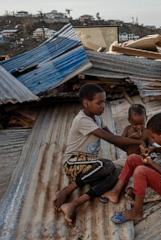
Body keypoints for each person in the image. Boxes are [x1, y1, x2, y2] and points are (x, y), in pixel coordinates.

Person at [53, 83, 146, 225]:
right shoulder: (82, 120)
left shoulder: (98, 119)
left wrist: (135, 147)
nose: (103, 105)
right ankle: (68, 189)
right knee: (108, 165)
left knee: (118, 171)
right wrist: (138, 140)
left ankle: (74, 204)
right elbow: (112, 138)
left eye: (104, 101)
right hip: (73, 163)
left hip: (91, 166)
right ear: (86, 103)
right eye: (99, 102)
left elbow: (117, 142)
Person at [102, 112, 161, 223]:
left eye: (153, 137)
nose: (153, 139)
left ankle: (137, 211)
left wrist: (151, 163)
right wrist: (152, 149)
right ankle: (115, 192)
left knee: (140, 171)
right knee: (133, 158)